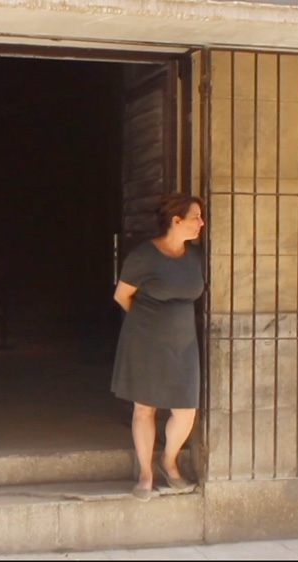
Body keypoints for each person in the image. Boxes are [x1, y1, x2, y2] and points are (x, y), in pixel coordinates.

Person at [111, 193, 205, 501]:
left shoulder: (196, 255)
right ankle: (145, 473)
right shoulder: (143, 257)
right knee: (144, 407)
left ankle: (168, 461)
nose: (201, 223)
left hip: (184, 342)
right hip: (146, 339)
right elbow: (122, 296)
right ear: (176, 220)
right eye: (196, 217)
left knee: (186, 409)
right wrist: (148, 323)